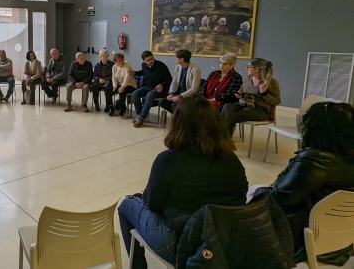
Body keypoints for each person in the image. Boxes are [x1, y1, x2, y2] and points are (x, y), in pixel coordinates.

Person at [118, 96, 248, 268]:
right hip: (221, 240)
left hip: (179, 243)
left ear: (178, 124)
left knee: (127, 204)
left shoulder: (167, 160)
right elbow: (241, 198)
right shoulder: (231, 160)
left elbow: (152, 204)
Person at [254, 102, 354, 262]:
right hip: (339, 243)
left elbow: (277, 199)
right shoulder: (346, 159)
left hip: (298, 242)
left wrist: (257, 191)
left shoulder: (314, 160)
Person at [222, 58, 281, 136]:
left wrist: (265, 94)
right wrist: (239, 94)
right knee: (227, 107)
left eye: (249, 67)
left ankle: (222, 139)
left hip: (259, 110)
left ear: (256, 69)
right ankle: (222, 139)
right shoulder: (249, 78)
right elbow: (241, 91)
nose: (246, 68)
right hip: (244, 104)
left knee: (230, 116)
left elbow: (277, 101)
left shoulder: (271, 82)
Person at [131, 51, 173, 128]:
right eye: (148, 60)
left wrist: (162, 85)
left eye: (152, 58)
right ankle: (139, 115)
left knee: (150, 95)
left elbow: (170, 79)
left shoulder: (161, 66)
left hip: (161, 89)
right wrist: (135, 73)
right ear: (144, 61)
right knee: (135, 93)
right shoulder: (144, 65)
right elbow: (144, 72)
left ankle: (141, 118)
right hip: (148, 87)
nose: (151, 61)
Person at [159, 49, 201, 115]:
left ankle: (179, 119)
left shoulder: (195, 69)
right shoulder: (177, 67)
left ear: (182, 59)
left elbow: (194, 89)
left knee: (175, 106)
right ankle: (179, 117)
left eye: (176, 58)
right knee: (162, 102)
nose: (175, 59)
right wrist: (171, 93)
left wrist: (180, 96)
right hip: (177, 93)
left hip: (188, 95)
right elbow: (174, 82)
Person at [111, 53, 137, 117]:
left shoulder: (127, 64)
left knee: (122, 91)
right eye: (119, 61)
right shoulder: (114, 67)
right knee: (108, 90)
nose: (122, 62)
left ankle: (122, 109)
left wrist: (122, 87)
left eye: (122, 60)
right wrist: (115, 86)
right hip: (120, 84)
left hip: (130, 85)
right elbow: (113, 77)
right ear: (115, 62)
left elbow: (127, 77)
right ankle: (110, 107)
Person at [92, 49, 115, 113]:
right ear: (100, 57)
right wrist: (98, 79)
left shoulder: (112, 64)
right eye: (103, 56)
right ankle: (96, 104)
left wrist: (106, 79)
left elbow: (113, 75)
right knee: (94, 88)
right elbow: (94, 75)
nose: (105, 58)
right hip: (99, 81)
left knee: (108, 89)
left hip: (108, 81)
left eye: (106, 56)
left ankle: (108, 105)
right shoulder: (97, 65)